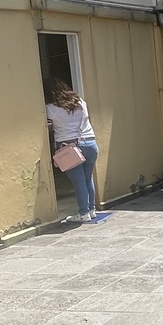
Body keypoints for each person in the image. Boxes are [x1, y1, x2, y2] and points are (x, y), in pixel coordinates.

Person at [44, 80, 99, 224]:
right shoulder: (80, 102)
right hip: (90, 143)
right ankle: (91, 210)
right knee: (88, 179)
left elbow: (47, 126)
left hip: (70, 149)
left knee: (78, 181)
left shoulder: (50, 109)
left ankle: (83, 213)